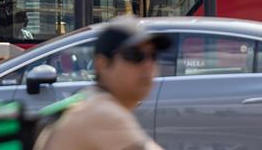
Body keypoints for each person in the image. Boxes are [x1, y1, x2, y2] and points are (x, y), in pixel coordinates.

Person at [34, 17, 170, 150]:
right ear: (102, 64)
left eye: (153, 55)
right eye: (135, 55)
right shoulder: (102, 113)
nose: (148, 65)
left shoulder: (90, 100)